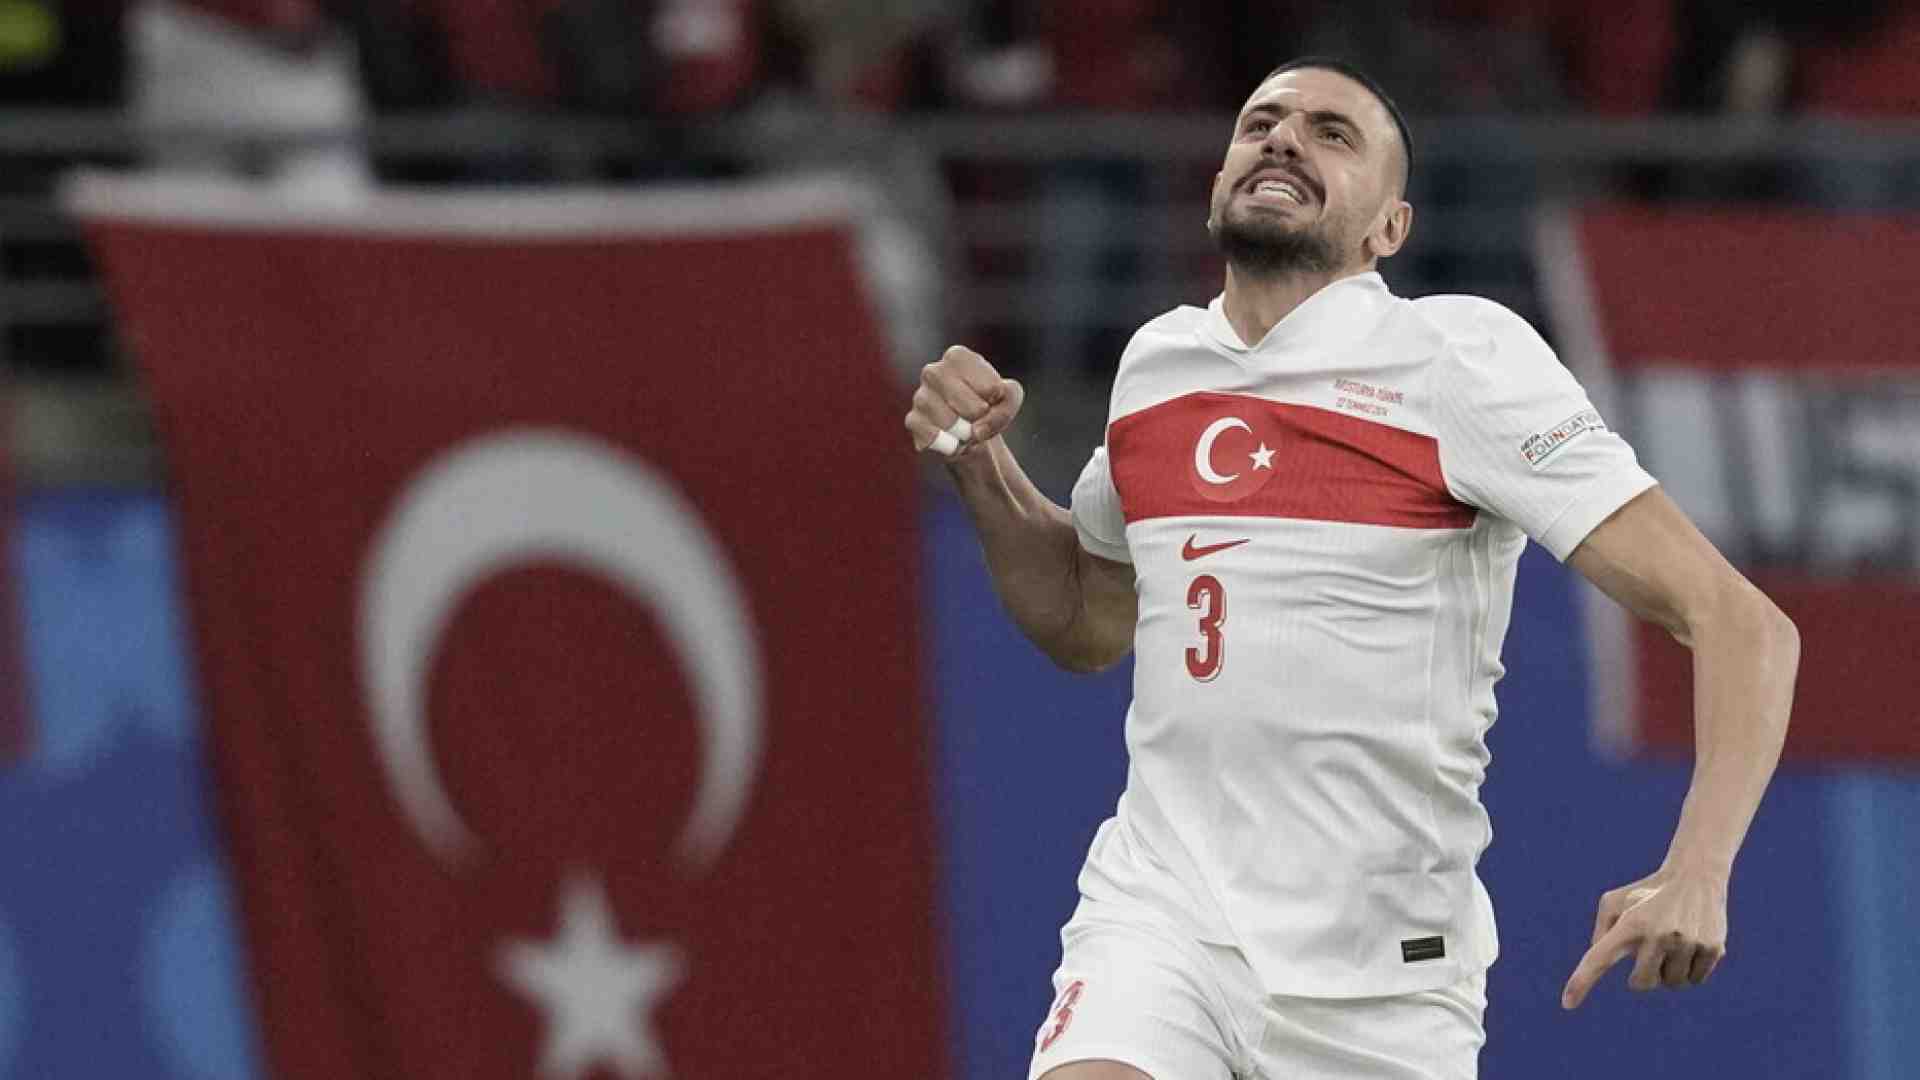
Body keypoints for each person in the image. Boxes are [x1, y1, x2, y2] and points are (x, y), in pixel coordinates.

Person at [904, 57, 1800, 1080]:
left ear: (1390, 228)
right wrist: (980, 467)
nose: (1284, 138)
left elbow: (1740, 621)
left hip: (1382, 985)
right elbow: (1086, 621)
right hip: (1162, 923)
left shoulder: (1457, 358)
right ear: (1218, 182)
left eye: (1333, 134)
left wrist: (1699, 869)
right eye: (1260, 124)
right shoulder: (1158, 365)